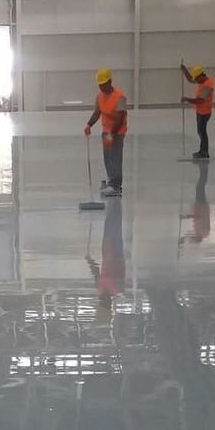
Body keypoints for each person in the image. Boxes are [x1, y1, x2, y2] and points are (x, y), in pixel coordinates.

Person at [84, 68, 128, 197]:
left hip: (117, 132)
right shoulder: (100, 97)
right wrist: (89, 125)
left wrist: (112, 134)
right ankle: (111, 182)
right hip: (106, 131)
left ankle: (116, 186)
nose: (102, 87)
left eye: (104, 84)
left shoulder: (120, 97)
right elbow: (97, 113)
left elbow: (120, 119)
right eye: (100, 84)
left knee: (115, 157)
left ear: (110, 81)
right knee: (108, 157)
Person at [86, 197, 125, 325]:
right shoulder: (117, 289)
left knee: (109, 224)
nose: (100, 300)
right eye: (103, 303)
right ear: (109, 304)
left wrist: (90, 260)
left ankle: (113, 200)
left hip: (107, 250)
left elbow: (96, 274)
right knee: (115, 225)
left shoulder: (101, 289)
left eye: (100, 303)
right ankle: (116, 200)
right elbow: (121, 270)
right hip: (116, 252)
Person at [181, 64, 215, 159]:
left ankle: (204, 152)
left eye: (196, 78)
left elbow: (200, 100)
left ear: (201, 76)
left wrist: (187, 99)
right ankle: (202, 151)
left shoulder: (208, 85)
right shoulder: (202, 80)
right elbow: (190, 79)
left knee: (202, 132)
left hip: (204, 112)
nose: (196, 80)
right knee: (200, 131)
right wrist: (184, 70)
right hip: (200, 111)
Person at [180, 160, 210, 243]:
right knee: (200, 186)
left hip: (201, 206)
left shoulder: (200, 233)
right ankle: (203, 166)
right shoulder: (202, 232)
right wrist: (187, 216)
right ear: (196, 239)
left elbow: (191, 232)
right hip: (201, 206)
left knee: (200, 186)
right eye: (193, 238)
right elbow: (199, 217)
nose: (192, 236)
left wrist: (184, 238)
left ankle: (203, 167)